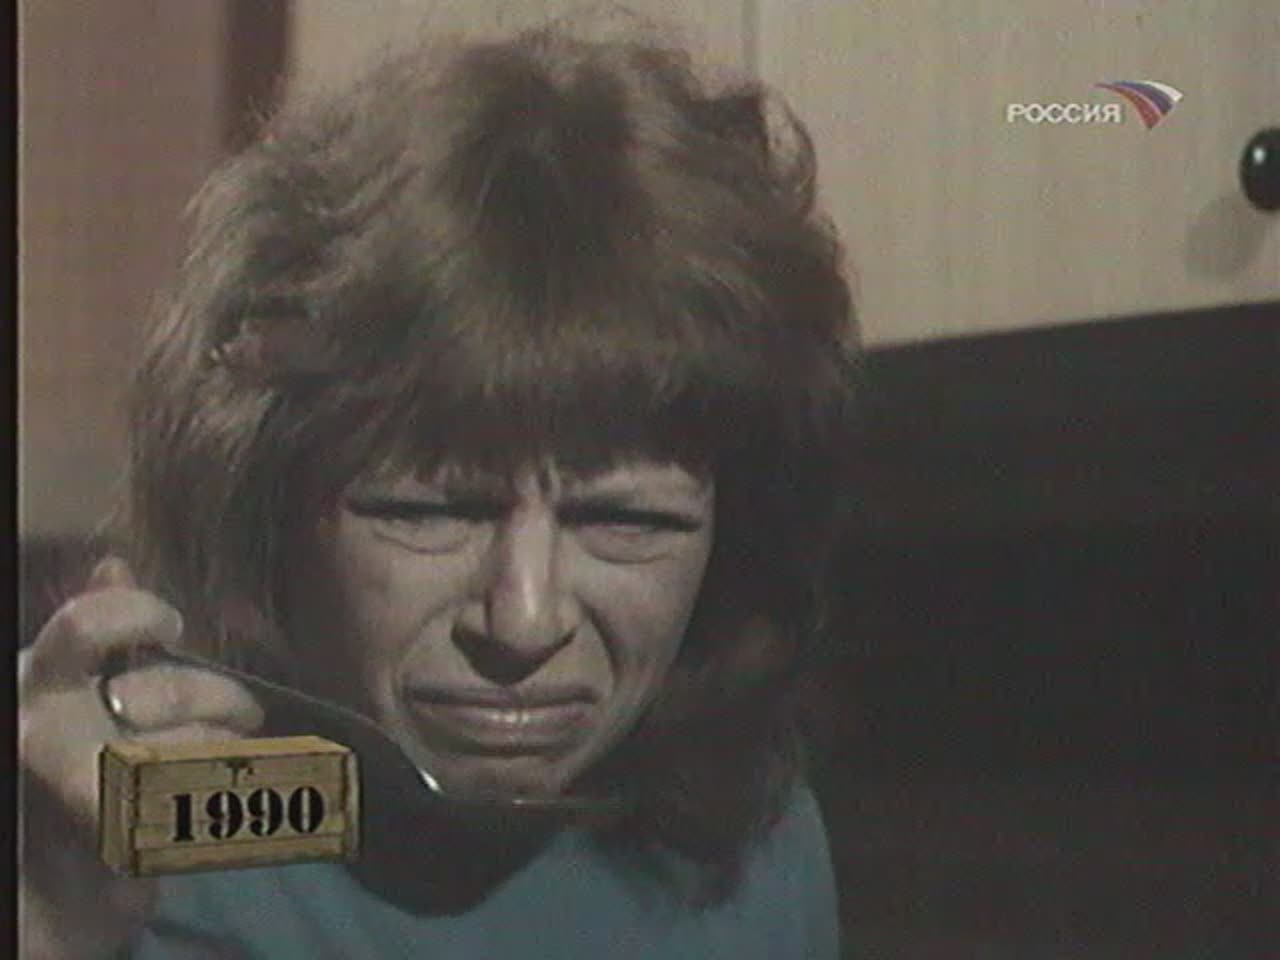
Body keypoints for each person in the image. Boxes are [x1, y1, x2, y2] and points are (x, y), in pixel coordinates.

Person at [19, 19, 858, 959]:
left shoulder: (755, 853)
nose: (525, 623)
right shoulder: (98, 832)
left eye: (628, 519)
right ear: (265, 506)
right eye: (428, 511)